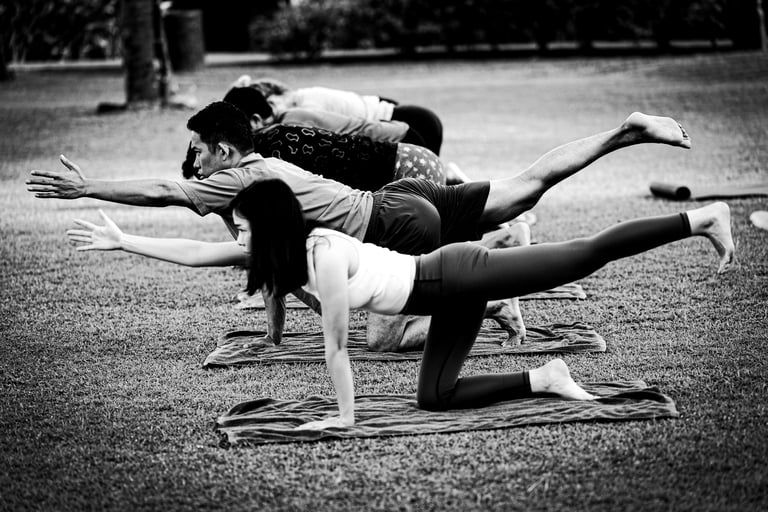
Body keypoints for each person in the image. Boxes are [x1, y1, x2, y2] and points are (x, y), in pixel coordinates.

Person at [66, 179, 735, 429]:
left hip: (458, 272)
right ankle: (545, 378)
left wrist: (344, 419)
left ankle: (701, 219)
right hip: (446, 298)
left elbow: (334, 346)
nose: (234, 236)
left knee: (582, 253)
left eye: (241, 225)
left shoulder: (324, 252)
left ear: (266, 225)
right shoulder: (286, 253)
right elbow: (195, 254)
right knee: (435, 399)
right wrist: (125, 240)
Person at [28, 101, 692, 352]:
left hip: (396, 226)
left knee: (385, 339)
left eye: (201, 149)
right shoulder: (266, 161)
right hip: (400, 199)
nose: (195, 163)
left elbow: (167, 192)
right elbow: (266, 269)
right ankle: (628, 133)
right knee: (526, 188)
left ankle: (485, 301)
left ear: (224, 152)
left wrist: (88, 188)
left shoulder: (236, 179)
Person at [230, 75, 444, 155]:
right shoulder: (296, 106)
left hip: (405, 136)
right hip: (402, 129)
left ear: (258, 119)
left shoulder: (292, 121)